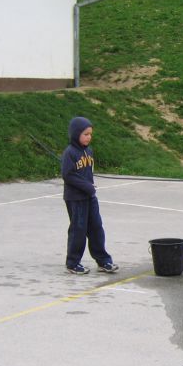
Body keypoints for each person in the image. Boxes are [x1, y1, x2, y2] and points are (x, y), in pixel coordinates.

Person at [62, 116, 118, 275]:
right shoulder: (70, 153)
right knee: (78, 230)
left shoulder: (89, 151)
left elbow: (88, 173)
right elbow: (68, 175)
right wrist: (86, 186)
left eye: (90, 134)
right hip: (75, 198)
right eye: (85, 134)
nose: (89, 137)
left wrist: (90, 186)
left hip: (89, 197)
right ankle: (73, 263)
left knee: (96, 228)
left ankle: (103, 260)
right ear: (75, 134)